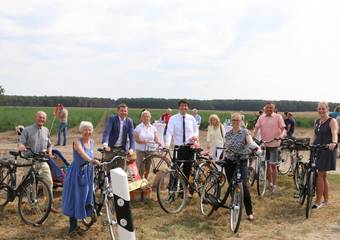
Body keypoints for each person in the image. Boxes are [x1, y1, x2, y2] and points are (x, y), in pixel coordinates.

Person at [62, 121, 100, 236]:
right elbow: (82, 153)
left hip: (87, 173)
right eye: (85, 129)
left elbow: (90, 155)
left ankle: (81, 221)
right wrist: (91, 160)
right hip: (77, 173)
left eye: (89, 129)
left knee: (84, 198)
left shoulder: (92, 142)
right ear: (81, 130)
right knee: (75, 198)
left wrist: (95, 159)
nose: (87, 132)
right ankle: (72, 229)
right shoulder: (77, 141)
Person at [18, 111, 59, 213]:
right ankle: (33, 206)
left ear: (45, 119)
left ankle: (48, 205)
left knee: (49, 182)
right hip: (30, 160)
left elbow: (49, 144)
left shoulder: (46, 130)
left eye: (43, 118)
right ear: (36, 117)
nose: (41, 119)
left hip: (42, 160)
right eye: (40, 117)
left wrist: (49, 151)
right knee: (31, 184)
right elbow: (20, 144)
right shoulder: (27, 130)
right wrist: (22, 147)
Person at [224, 113, 261, 221]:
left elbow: (250, 142)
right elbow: (226, 147)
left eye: (237, 120)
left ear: (241, 121)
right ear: (231, 121)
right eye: (233, 120)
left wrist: (257, 149)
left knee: (243, 186)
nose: (235, 122)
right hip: (229, 161)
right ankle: (234, 203)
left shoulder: (245, 132)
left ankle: (249, 211)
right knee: (231, 184)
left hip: (241, 161)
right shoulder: (228, 134)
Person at [310, 102, 338, 209]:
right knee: (323, 175)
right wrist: (311, 144)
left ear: (327, 109)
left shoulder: (332, 121)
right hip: (317, 149)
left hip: (327, 148)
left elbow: (335, 133)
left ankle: (317, 202)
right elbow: (314, 135)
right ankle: (326, 200)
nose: (321, 110)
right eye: (319, 109)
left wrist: (334, 143)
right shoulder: (317, 121)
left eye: (323, 108)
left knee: (320, 174)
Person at [253, 102, 285, 193]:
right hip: (264, 145)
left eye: (271, 108)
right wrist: (253, 137)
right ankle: (269, 182)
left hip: (274, 144)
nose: (269, 110)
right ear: (264, 109)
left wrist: (281, 136)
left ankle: (274, 185)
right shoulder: (261, 117)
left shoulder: (278, 117)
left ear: (274, 109)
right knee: (265, 165)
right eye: (267, 108)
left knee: (273, 165)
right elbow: (256, 128)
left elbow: (283, 129)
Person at [165, 99, 199, 186]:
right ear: (179, 107)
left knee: (187, 170)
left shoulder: (192, 118)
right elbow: (169, 132)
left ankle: (183, 191)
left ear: (187, 107)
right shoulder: (173, 118)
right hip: (178, 148)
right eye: (182, 105)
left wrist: (195, 135)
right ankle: (172, 190)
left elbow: (196, 130)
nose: (183, 107)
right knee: (175, 170)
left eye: (185, 106)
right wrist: (167, 145)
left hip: (190, 147)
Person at [102, 103, 135, 168]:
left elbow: (132, 137)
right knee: (108, 168)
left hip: (122, 148)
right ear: (118, 111)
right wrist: (105, 144)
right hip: (111, 148)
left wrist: (131, 149)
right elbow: (107, 132)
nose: (123, 112)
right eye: (122, 111)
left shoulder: (129, 121)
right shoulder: (112, 119)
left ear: (127, 112)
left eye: (125, 111)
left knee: (121, 170)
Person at [134, 110, 161, 179]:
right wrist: (142, 141)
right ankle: (139, 181)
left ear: (150, 118)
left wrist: (158, 142)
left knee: (147, 167)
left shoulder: (153, 128)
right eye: (144, 116)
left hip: (150, 150)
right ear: (141, 118)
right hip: (140, 150)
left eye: (147, 116)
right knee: (141, 167)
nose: (146, 118)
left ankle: (145, 180)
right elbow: (136, 139)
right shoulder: (138, 128)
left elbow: (155, 139)